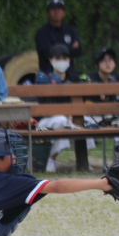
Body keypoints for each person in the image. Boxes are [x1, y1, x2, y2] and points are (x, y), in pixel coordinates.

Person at [35, 44, 87, 173]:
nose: (62, 61)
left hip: (70, 117)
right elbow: (43, 107)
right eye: (58, 58)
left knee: (82, 121)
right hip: (47, 119)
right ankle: (51, 159)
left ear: (69, 60)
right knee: (62, 121)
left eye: (65, 57)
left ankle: (82, 162)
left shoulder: (73, 78)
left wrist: (72, 113)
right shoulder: (44, 79)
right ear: (51, 60)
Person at [35, 0, 82, 76]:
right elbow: (47, 53)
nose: (56, 12)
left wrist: (56, 50)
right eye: (53, 9)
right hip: (49, 76)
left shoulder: (71, 31)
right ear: (47, 13)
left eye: (59, 9)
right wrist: (70, 49)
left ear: (64, 13)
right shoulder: (42, 32)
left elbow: (78, 51)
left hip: (70, 75)